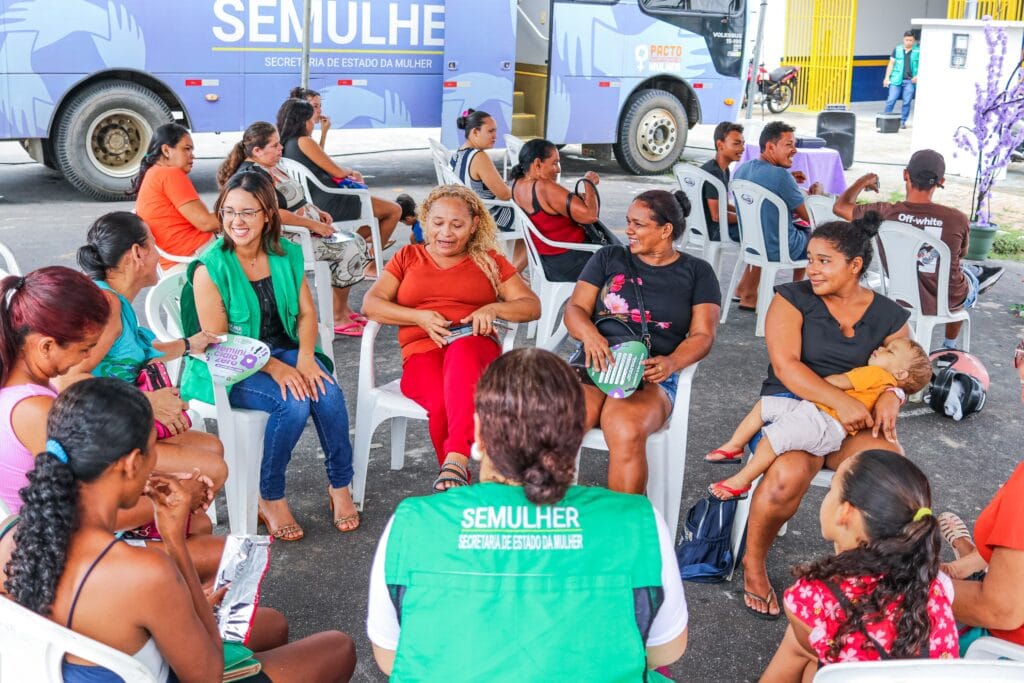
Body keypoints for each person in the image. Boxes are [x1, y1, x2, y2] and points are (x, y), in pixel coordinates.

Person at [0, 378, 357, 683]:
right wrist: (173, 541)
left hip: (92, 665)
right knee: (338, 648)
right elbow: (207, 675)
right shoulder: (145, 574)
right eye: (154, 451)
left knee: (272, 625)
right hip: (176, 672)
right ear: (130, 464)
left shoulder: (11, 535)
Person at [366, 348, 688, 681]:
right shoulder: (638, 521)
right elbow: (666, 649)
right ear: (576, 432)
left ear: (478, 432)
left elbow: (390, 658)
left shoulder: (411, 523)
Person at [738, 214, 913, 620]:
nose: (811, 269)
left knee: (889, 473)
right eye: (811, 259)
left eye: (824, 261)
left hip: (849, 423)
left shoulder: (889, 315)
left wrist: (894, 394)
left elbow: (910, 367)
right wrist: (842, 399)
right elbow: (786, 367)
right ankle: (754, 563)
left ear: (855, 265)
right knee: (787, 475)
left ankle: (865, 574)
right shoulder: (792, 298)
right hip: (795, 408)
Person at [181, 171, 358, 540]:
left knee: (327, 394)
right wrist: (277, 368)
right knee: (291, 403)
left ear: (267, 215)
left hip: (286, 352)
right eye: (229, 212)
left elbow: (307, 314)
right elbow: (219, 341)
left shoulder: (285, 255)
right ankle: (270, 496)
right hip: (230, 368)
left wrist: (306, 358)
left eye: (247, 212)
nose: (236, 221)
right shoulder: (210, 266)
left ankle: (340, 485)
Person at [362, 184, 540, 491]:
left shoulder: (488, 260)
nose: (446, 232)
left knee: (462, 354)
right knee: (443, 401)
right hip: (422, 352)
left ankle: (455, 462)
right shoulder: (408, 256)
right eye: (438, 223)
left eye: (457, 225)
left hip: (474, 344)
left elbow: (531, 306)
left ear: (473, 226)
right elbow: (371, 304)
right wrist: (417, 316)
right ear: (425, 221)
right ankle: (458, 480)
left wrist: (494, 307)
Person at [564, 190, 720, 494]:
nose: (628, 232)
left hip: (650, 373)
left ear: (665, 231)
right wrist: (591, 335)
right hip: (593, 363)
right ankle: (551, 520)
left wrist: (672, 362)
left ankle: (624, 531)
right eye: (628, 223)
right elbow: (575, 310)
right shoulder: (609, 257)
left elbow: (703, 335)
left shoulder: (697, 273)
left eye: (638, 225)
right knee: (561, 422)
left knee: (625, 429)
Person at [66, 212, 227, 494]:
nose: (158, 255)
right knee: (213, 469)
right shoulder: (107, 307)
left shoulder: (116, 302)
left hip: (120, 424)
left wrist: (189, 344)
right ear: (137, 253)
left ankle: (167, 524)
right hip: (99, 439)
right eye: (153, 245)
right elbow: (65, 381)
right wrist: (145, 401)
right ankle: (144, 529)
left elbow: (136, 350)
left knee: (213, 447)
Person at [761, 450, 958, 681]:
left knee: (798, 645)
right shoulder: (936, 584)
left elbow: (809, 647)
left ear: (846, 512)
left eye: (832, 489)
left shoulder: (814, 596)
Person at [707, 338, 931, 500]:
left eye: (889, 351)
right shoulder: (885, 383)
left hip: (823, 423)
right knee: (766, 406)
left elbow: (836, 382)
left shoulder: (875, 375)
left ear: (900, 374)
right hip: (816, 414)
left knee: (774, 438)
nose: (880, 347)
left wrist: (812, 381)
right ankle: (735, 446)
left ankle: (742, 480)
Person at [833, 150, 1004, 348]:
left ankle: (973, 276)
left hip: (900, 294)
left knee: (960, 272)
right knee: (963, 277)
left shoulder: (882, 213)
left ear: (906, 175)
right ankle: (949, 347)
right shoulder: (957, 219)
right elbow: (959, 255)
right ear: (941, 181)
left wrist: (863, 181)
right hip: (945, 299)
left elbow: (840, 207)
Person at [217, 121, 371, 336]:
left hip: (304, 230)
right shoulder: (254, 177)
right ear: (257, 151)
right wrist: (314, 224)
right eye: (275, 145)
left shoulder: (271, 166)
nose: (281, 148)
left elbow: (295, 198)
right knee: (349, 248)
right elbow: (275, 213)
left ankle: (342, 308)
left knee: (354, 240)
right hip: (285, 240)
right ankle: (337, 315)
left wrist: (316, 211)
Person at [0, 266, 110, 514]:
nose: (89, 356)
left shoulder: (20, 381)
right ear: (47, 346)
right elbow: (84, 508)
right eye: (84, 348)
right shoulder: (35, 409)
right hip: (56, 541)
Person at [276, 97, 401, 274]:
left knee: (379, 212)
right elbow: (338, 172)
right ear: (303, 120)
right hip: (329, 202)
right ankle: (371, 265)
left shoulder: (284, 144)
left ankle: (359, 247)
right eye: (312, 120)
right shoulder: (304, 140)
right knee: (393, 210)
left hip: (315, 199)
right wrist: (351, 171)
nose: (313, 124)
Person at [732, 121, 822, 310]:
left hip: (752, 243)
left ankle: (746, 289)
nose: (795, 150)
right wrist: (817, 195)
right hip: (779, 247)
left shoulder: (742, 169)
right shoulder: (781, 176)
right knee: (818, 236)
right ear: (770, 147)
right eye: (789, 145)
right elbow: (810, 216)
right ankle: (798, 291)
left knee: (775, 227)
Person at [510, 138, 601, 282]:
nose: (558, 168)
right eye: (554, 163)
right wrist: (588, 183)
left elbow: (551, 208)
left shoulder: (517, 183)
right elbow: (590, 216)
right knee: (619, 258)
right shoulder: (544, 187)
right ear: (538, 164)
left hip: (548, 261)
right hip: (571, 261)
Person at [134, 123, 220, 271]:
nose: (192, 155)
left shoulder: (153, 173)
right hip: (193, 257)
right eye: (186, 149)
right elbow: (206, 223)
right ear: (166, 150)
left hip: (177, 258)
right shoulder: (169, 174)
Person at [451, 109, 526, 270]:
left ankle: (513, 269)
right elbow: (505, 195)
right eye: (490, 131)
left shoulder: (460, 153)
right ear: (475, 132)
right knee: (535, 222)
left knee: (527, 218)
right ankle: (510, 275)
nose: (495, 136)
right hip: (490, 215)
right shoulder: (479, 157)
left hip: (475, 209)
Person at [700, 120, 744, 243]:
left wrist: (743, 211)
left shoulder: (723, 170)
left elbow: (723, 205)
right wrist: (746, 218)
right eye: (736, 144)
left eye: (742, 144)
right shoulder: (713, 174)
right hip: (712, 230)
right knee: (760, 231)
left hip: (714, 226)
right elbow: (717, 215)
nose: (742, 148)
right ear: (720, 145)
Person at [883, 30, 920, 129]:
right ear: (903, 40)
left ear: (914, 41)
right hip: (896, 80)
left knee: (907, 101)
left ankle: (902, 121)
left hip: (910, 81)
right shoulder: (897, 49)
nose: (908, 42)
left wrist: (918, 76)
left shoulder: (918, 51)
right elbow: (891, 64)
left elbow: (923, 65)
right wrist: (887, 78)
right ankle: (885, 119)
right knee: (891, 100)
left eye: (911, 40)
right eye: (907, 40)